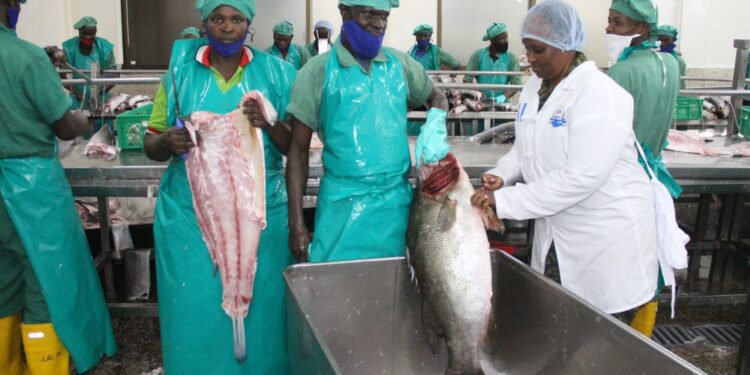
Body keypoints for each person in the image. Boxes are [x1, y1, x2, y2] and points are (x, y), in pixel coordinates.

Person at [471, 0, 659, 325]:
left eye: (538, 50)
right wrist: (501, 176)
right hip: (559, 229)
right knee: (559, 327)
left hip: (605, 238)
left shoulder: (601, 95)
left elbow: (582, 176)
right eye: (527, 49)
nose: (529, 59)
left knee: (599, 339)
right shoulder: (535, 87)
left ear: (565, 46)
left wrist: (503, 200)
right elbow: (525, 145)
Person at [143, 0, 296, 373]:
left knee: (262, 314)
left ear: (249, 24)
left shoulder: (277, 73)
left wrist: (269, 123)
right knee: (196, 311)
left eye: (236, 19)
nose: (227, 27)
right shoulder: (180, 73)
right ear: (204, 23)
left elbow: (294, 144)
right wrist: (169, 142)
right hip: (191, 221)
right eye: (217, 19)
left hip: (259, 215)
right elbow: (151, 142)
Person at [0, 1, 117, 374]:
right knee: (45, 279)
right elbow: (64, 127)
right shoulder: (23, 57)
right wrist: (82, 119)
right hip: (27, 186)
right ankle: (45, 366)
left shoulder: (32, 57)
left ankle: (8, 364)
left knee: (3, 280)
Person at [285, 0, 449, 263]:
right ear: (345, 12)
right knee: (337, 290)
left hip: (396, 209)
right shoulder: (317, 72)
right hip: (342, 206)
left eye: (384, 16)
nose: (379, 23)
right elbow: (297, 150)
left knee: (394, 291)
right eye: (369, 14)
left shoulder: (399, 65)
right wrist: (296, 223)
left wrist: (436, 127)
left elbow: (437, 98)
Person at [61, 16, 117, 110]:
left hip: (101, 100)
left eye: (92, 35)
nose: (88, 38)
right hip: (77, 100)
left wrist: (98, 93)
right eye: (85, 34)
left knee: (103, 123)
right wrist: (74, 91)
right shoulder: (69, 48)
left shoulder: (105, 48)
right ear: (79, 32)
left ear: (96, 33)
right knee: (78, 122)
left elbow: (114, 75)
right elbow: (61, 75)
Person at [464, 22, 523, 103]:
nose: (506, 41)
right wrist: (478, 94)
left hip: (503, 104)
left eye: (506, 38)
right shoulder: (478, 56)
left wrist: (503, 97)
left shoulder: (511, 58)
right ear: (492, 40)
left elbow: (517, 83)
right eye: (502, 38)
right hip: (480, 102)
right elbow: (467, 80)